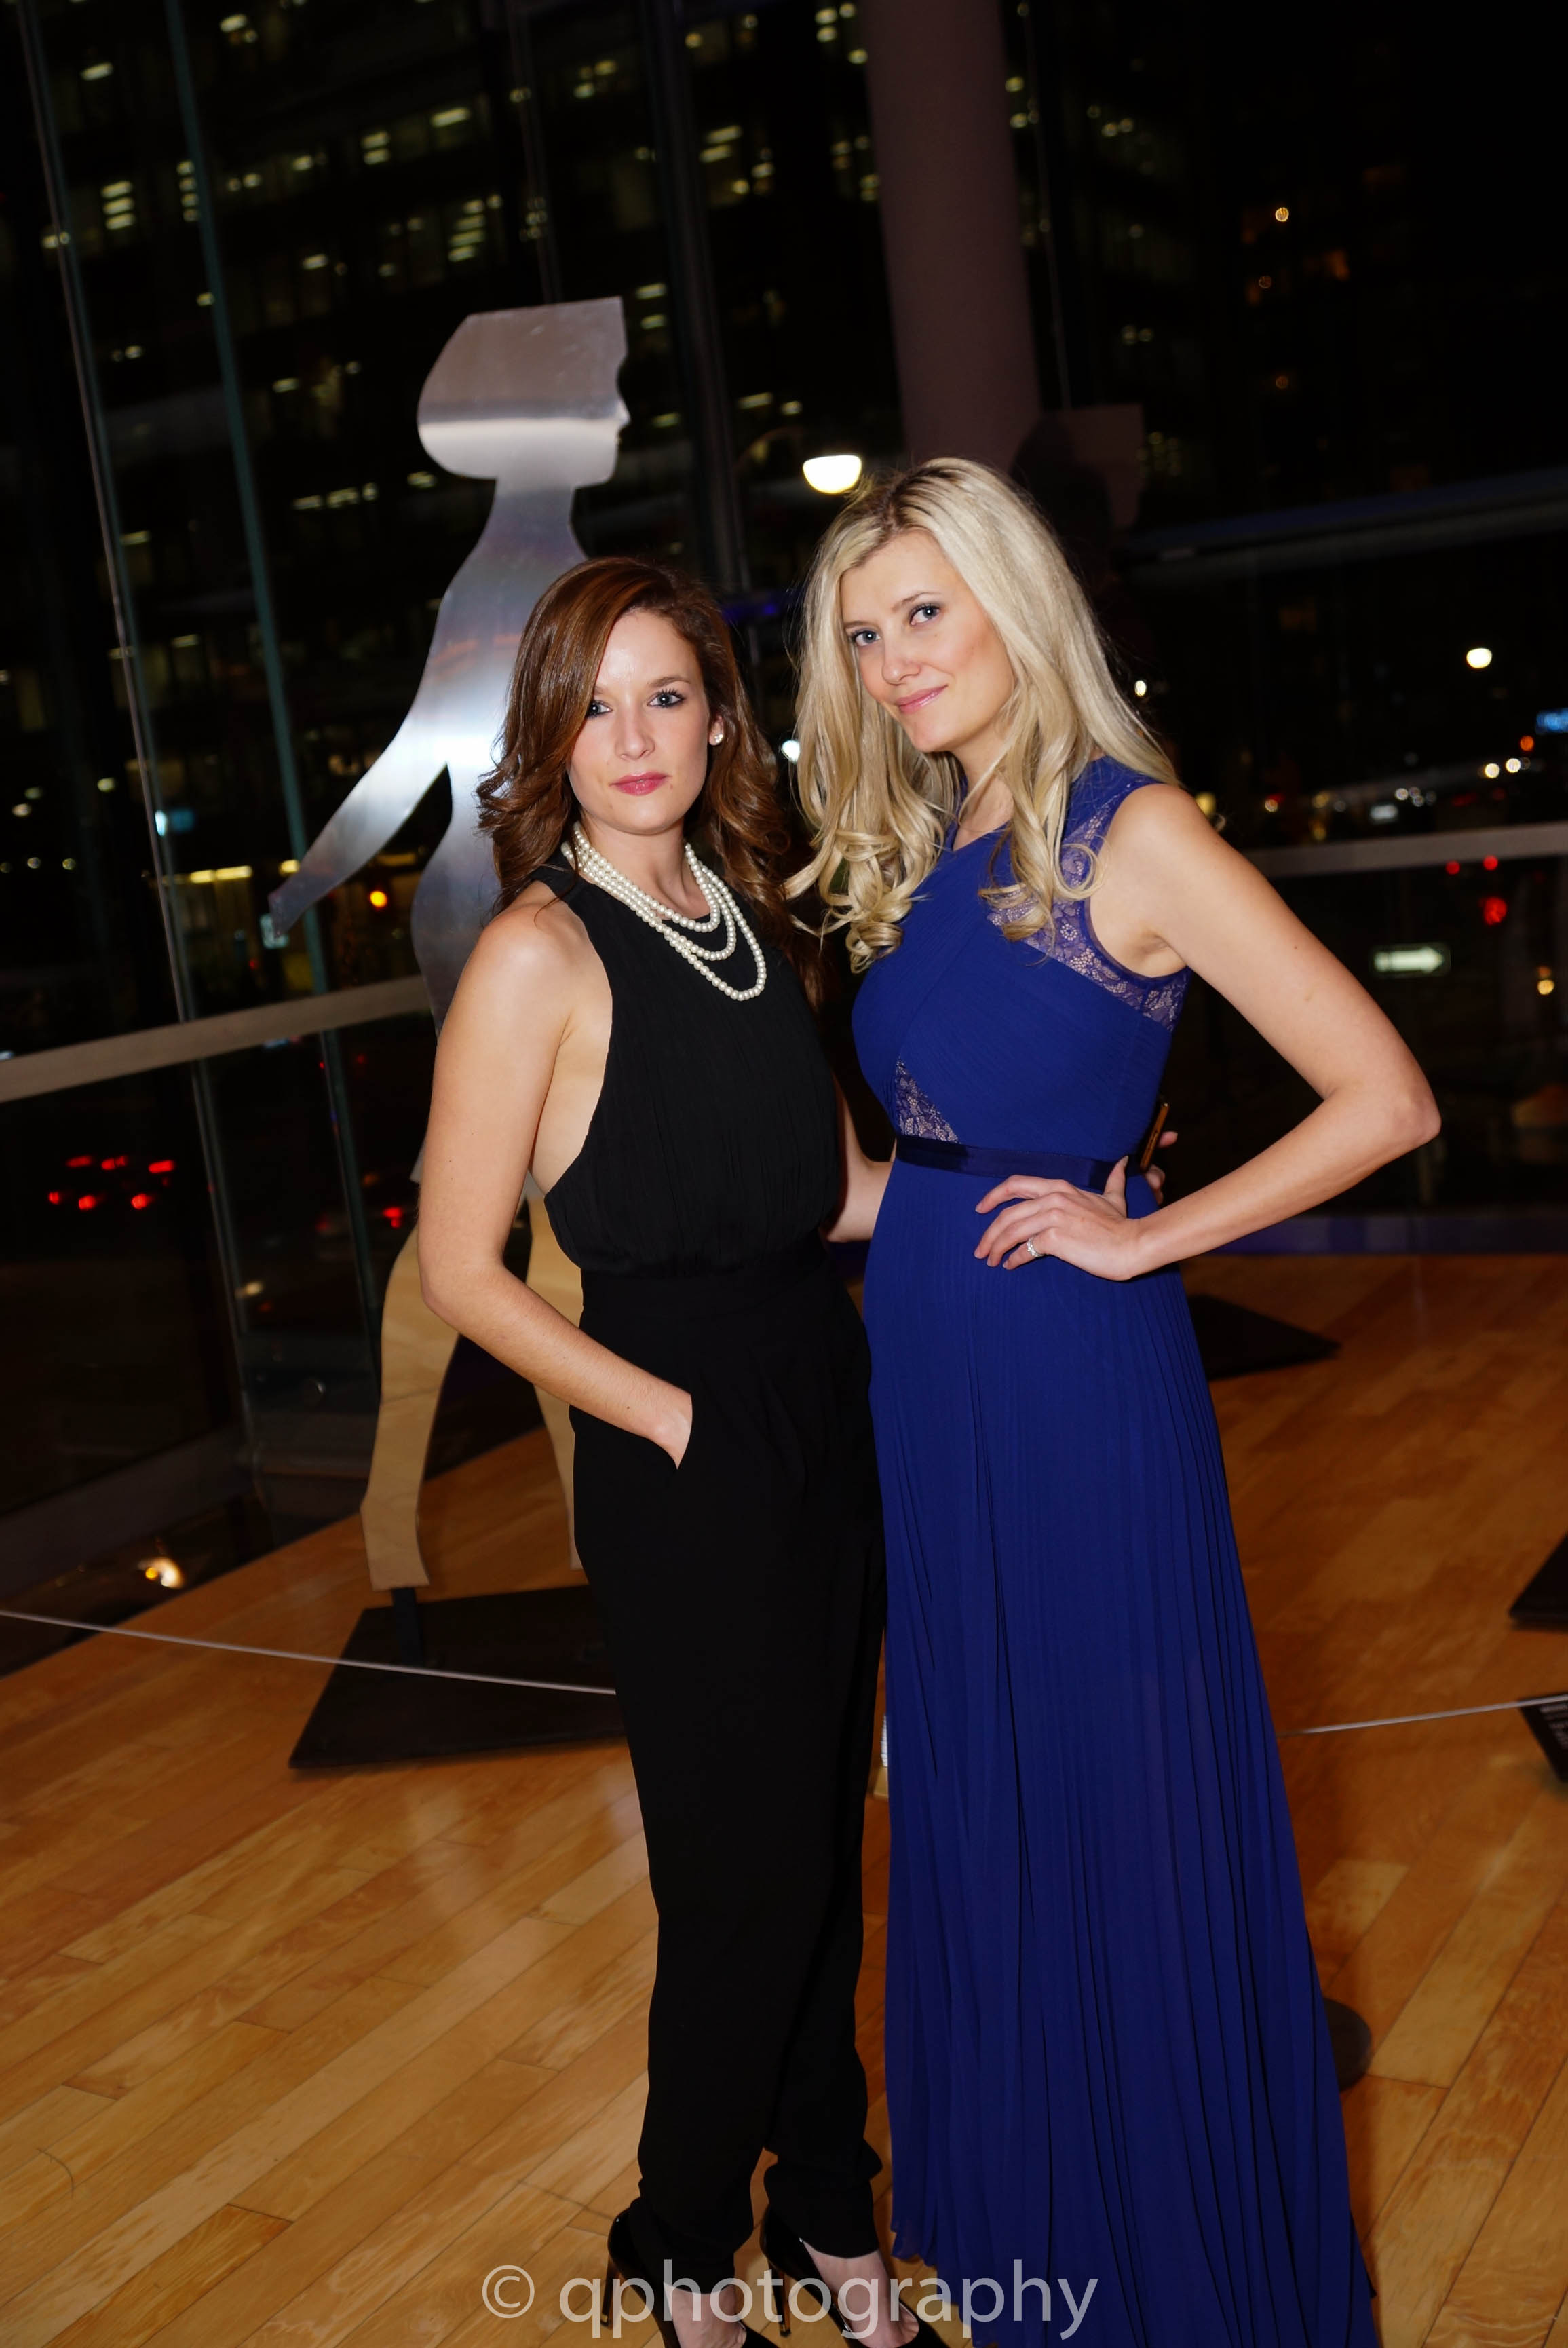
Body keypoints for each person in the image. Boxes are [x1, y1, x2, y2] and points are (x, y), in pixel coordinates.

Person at [790, 459, 1437, 2348]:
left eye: (924, 612)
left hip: (1071, 1373)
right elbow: (923, 1152)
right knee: (989, 1795)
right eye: (862, 634)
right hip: (932, 1364)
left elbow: (1385, 1095)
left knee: (1115, 1799)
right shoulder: (936, 838)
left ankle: (1182, 2269)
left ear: (1015, 600)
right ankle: (1047, 2252)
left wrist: (1149, 1236)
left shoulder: (1125, 828)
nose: (894, 660)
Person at [415, 556, 920, 2348]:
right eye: (595, 704)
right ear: (550, 732)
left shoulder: (752, 914)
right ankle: (683, 2236)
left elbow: (835, 1190)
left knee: (821, 1848)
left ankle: (830, 2204)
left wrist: (1022, 1187)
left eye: (667, 696)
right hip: (680, 1437)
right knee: (739, 1880)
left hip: (822, 1402)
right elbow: (459, 1269)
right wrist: (667, 1415)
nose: (633, 738)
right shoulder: (533, 955)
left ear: (718, 718)